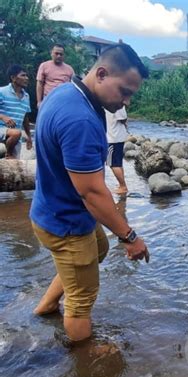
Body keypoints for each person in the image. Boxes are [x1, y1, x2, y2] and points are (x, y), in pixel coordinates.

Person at [30, 43, 150, 342]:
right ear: (101, 73)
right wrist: (130, 237)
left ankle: (45, 306)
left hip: (52, 209)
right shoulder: (80, 119)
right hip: (66, 223)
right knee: (82, 302)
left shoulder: (64, 93)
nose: (125, 102)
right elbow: (93, 194)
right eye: (124, 92)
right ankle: (85, 364)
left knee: (99, 249)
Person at [0, 64, 33, 159]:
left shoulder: (26, 96)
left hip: (15, 139)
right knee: (16, 133)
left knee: (12, 169)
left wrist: (29, 137)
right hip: (1, 130)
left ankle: (10, 155)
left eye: (26, 76)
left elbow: (25, 118)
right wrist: (3, 117)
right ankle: (8, 154)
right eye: (23, 75)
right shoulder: (2, 91)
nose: (26, 78)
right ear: (13, 78)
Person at [106, 106, 128, 194]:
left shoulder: (116, 103)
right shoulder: (114, 102)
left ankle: (123, 187)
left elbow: (123, 118)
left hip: (113, 138)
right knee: (118, 163)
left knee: (113, 164)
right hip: (117, 137)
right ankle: (122, 185)